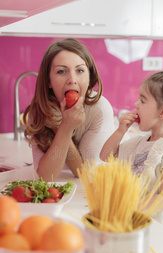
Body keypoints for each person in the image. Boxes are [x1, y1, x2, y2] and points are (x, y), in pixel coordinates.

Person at [100, 68, 163, 235]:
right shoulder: (139, 142)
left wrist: (128, 207)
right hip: (132, 224)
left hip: (157, 230)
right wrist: (120, 131)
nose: (135, 104)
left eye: (143, 100)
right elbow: (105, 156)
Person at [24, 38, 115, 181]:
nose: (72, 79)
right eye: (61, 71)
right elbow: (46, 176)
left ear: (89, 76)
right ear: (48, 80)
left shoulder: (100, 109)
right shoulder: (39, 110)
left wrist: (61, 127)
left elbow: (84, 172)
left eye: (80, 70)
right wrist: (65, 127)